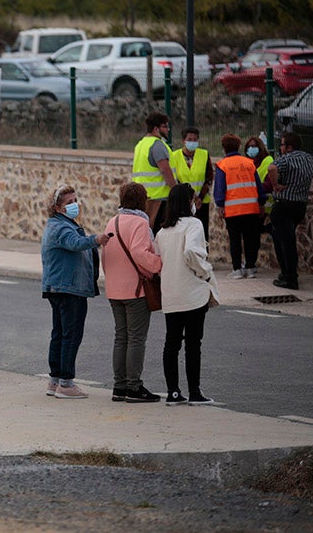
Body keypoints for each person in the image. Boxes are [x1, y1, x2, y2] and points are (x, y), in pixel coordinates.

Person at [41, 184, 111, 399]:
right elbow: (75, 243)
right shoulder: (61, 227)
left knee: (60, 334)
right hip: (68, 288)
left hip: (61, 286)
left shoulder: (61, 224)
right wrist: (96, 239)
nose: (74, 205)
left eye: (75, 200)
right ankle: (66, 383)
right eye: (69, 202)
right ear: (58, 207)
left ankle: (55, 381)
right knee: (71, 335)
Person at [156, 183, 219, 405]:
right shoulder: (194, 224)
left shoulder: (162, 231)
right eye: (193, 199)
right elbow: (192, 251)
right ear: (187, 202)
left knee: (171, 343)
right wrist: (204, 272)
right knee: (193, 344)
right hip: (192, 292)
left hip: (171, 293)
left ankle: (173, 391)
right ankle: (195, 392)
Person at [100, 182, 162, 403]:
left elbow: (105, 255)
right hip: (135, 290)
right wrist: (158, 265)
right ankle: (134, 387)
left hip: (114, 288)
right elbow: (139, 252)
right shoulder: (140, 223)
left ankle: (119, 386)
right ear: (142, 200)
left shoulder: (112, 221)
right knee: (136, 339)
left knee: (121, 337)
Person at [267, 132, 313, 290]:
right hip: (299, 205)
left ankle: (290, 278)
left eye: (281, 145)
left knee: (287, 243)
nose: (280, 148)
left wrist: (275, 185)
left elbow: (272, 167)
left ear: (289, 147)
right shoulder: (309, 158)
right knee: (279, 237)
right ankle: (285, 273)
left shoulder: (287, 158)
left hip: (284, 204)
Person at [213, 133, 265, 279]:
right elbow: (258, 186)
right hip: (251, 208)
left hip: (233, 210)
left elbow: (220, 188)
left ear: (224, 148)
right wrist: (261, 202)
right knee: (251, 239)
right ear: (239, 146)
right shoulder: (249, 163)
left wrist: (220, 205)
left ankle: (237, 269)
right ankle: (250, 267)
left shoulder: (222, 165)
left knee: (235, 240)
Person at [132, 112, 176, 232]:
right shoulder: (158, 145)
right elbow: (165, 170)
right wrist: (176, 190)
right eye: (165, 126)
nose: (168, 129)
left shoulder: (140, 144)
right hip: (158, 199)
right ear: (156, 128)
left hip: (143, 197)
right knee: (158, 235)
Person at [169, 127, 214, 242]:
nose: (192, 142)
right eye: (190, 139)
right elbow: (175, 179)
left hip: (201, 202)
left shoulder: (204, 154)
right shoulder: (174, 156)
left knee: (201, 230)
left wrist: (200, 198)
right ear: (183, 141)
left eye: (195, 139)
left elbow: (209, 177)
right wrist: (190, 198)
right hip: (182, 202)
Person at [244, 135, 275, 222]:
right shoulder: (247, 163)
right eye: (248, 147)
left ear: (260, 147)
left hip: (265, 207)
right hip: (251, 206)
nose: (251, 148)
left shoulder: (268, 161)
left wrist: (253, 187)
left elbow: (270, 184)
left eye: (253, 146)